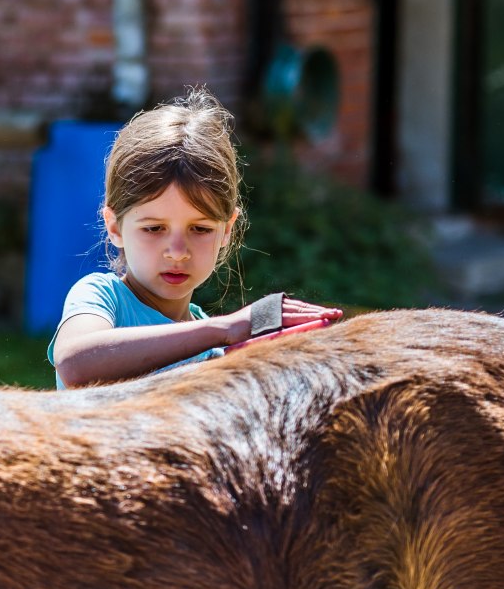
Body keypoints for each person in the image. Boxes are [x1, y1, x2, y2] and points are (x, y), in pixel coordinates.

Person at [49, 88, 341, 388]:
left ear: (226, 230)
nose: (177, 252)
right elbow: (75, 363)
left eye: (200, 229)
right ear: (115, 228)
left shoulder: (213, 343)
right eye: (154, 228)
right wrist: (226, 328)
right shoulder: (102, 296)